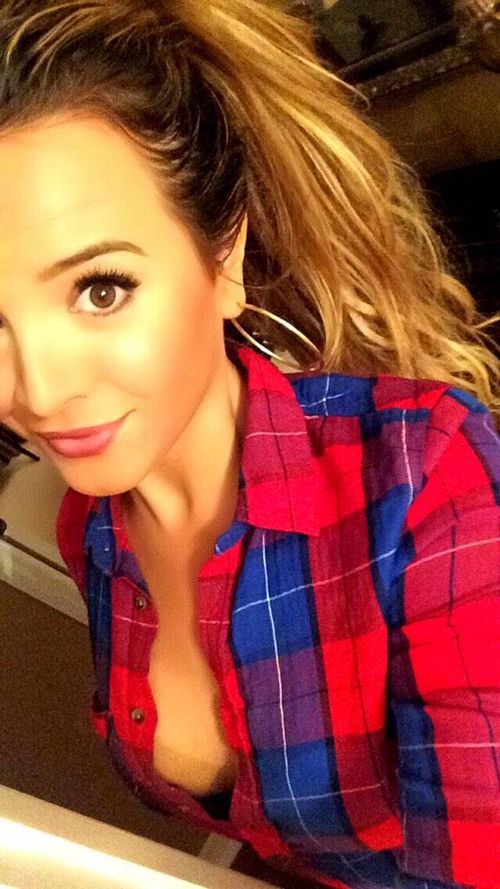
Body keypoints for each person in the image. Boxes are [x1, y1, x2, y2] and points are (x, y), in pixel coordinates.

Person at [0, 2, 498, 887]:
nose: (37, 390)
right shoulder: (93, 530)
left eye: (101, 289)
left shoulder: (426, 479)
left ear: (223, 256)